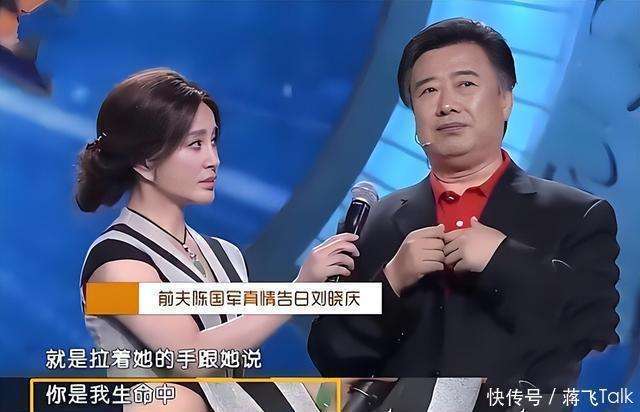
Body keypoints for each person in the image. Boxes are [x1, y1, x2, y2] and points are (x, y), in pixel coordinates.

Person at [308, 17, 620, 398]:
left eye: (466, 84)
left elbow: (594, 328)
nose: (446, 105)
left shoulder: (577, 215)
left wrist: (502, 259)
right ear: (415, 116)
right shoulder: (375, 221)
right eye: (428, 91)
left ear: (505, 100)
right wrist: (391, 282)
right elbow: (330, 355)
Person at [77, 68, 357, 411]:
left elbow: (232, 382)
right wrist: (300, 291)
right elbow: (191, 357)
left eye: (213, 141)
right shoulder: (115, 265)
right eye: (195, 144)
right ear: (145, 161)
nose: (214, 160)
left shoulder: (226, 255)